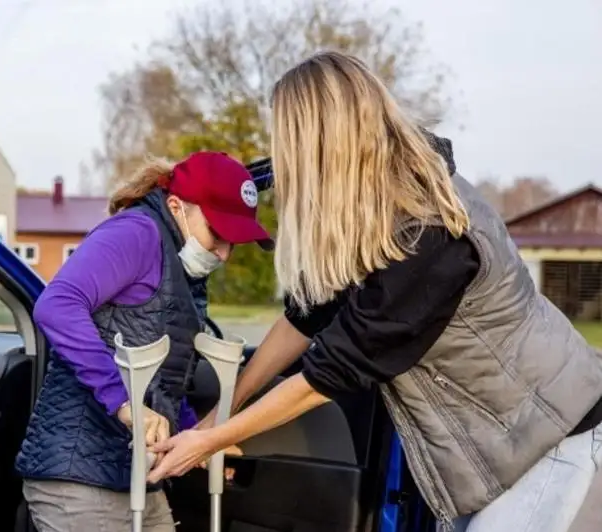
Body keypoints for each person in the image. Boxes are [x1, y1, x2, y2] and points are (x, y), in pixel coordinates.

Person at [147, 51, 602, 532]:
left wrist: (210, 442)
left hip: (549, 438)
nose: (287, 161)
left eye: (291, 142)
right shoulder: (368, 218)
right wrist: (220, 413)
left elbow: (334, 371)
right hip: (494, 452)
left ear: (324, 141)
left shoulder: (429, 231)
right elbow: (305, 317)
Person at [15, 151, 273, 532]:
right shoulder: (137, 233)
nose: (224, 253)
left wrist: (199, 439)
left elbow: (160, 378)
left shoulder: (181, 262)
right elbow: (57, 305)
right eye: (218, 234)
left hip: (135, 476)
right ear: (176, 206)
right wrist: (122, 402)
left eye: (234, 242)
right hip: (82, 475)